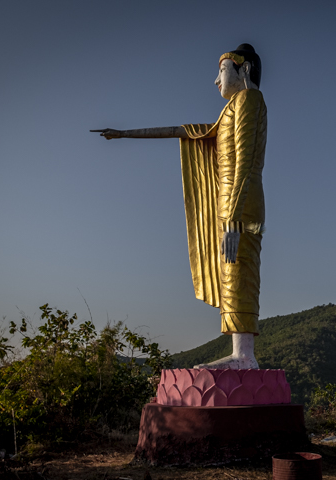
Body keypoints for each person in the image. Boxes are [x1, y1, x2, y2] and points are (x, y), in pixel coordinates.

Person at [91, 44, 266, 369]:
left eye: (222, 70)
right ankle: (240, 352)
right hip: (229, 205)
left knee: (240, 269)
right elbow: (183, 131)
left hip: (240, 206)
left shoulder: (249, 100)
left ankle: (244, 356)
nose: (216, 80)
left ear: (243, 69)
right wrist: (124, 134)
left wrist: (233, 220)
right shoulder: (230, 111)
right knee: (231, 273)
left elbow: (245, 162)